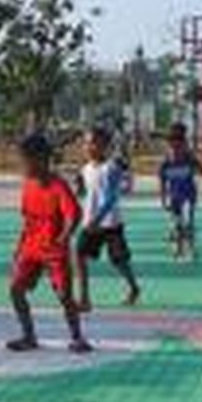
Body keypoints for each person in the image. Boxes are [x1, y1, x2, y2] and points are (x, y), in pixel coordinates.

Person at [7, 133, 93, 355]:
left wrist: (63, 238)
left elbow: (74, 215)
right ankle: (29, 336)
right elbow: (27, 222)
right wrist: (18, 251)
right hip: (31, 247)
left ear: (41, 159)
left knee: (64, 295)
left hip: (53, 249)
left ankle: (77, 337)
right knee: (16, 289)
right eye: (21, 160)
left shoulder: (58, 185)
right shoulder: (28, 186)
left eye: (25, 160)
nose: (22, 165)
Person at [76, 127, 141, 312]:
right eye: (86, 143)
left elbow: (112, 197)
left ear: (104, 146)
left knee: (119, 261)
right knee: (79, 255)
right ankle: (84, 298)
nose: (89, 147)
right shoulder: (85, 169)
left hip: (111, 224)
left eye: (93, 143)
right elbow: (86, 192)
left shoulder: (111, 168)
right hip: (90, 223)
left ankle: (133, 287)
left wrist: (97, 218)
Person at [159, 122, 202, 261]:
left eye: (179, 144)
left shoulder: (189, 158)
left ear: (183, 143)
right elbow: (162, 181)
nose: (176, 148)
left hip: (189, 195)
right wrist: (163, 198)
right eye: (172, 144)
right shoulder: (166, 161)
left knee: (188, 221)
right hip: (174, 197)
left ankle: (191, 247)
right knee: (177, 223)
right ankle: (178, 247)